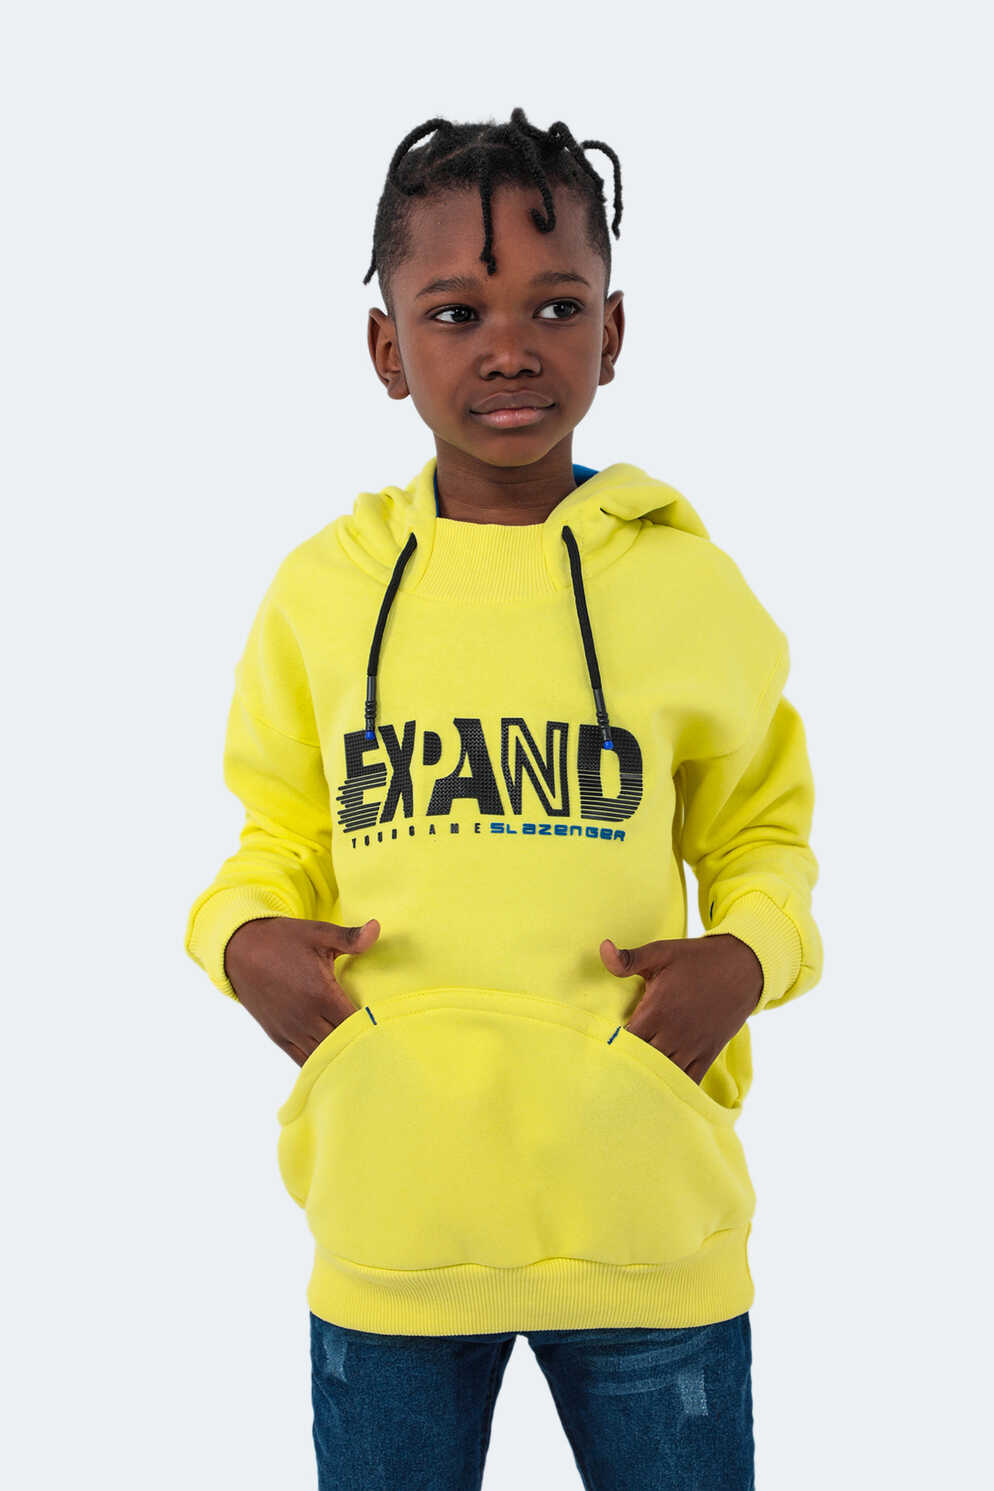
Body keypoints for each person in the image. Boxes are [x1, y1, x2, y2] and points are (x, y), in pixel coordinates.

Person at [184, 107, 823, 1491]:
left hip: (646, 1216)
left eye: (556, 305)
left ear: (612, 332)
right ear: (387, 349)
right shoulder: (322, 592)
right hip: (393, 1216)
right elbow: (276, 834)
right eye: (456, 312)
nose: (511, 347)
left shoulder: (685, 585)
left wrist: (747, 957)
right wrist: (238, 940)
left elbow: (762, 832)